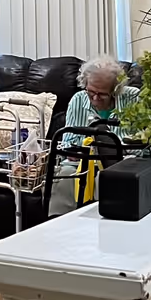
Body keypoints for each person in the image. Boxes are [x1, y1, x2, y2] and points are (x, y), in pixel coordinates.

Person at [49, 55, 138, 217]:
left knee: (105, 178)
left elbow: (143, 145)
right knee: (64, 175)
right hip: (82, 162)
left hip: (122, 163)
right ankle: (57, 226)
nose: (95, 99)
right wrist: (76, 151)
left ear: (115, 90)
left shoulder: (133, 98)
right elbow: (68, 141)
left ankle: (102, 227)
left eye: (102, 94)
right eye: (91, 92)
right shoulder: (78, 100)